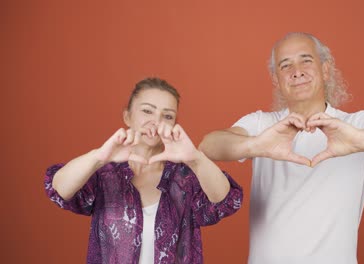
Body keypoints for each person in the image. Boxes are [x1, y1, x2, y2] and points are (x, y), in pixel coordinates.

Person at [199, 32, 364, 264]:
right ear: (276, 79)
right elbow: (209, 146)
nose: (297, 72)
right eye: (285, 65)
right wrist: (256, 145)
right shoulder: (262, 124)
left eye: (306, 61)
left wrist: (362, 141)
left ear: (326, 69)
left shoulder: (356, 125)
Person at [44, 77, 243, 264]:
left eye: (167, 115)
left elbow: (227, 201)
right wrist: (99, 157)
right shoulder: (105, 175)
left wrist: (196, 159)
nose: (156, 121)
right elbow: (58, 190)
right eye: (147, 111)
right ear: (127, 116)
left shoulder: (184, 177)